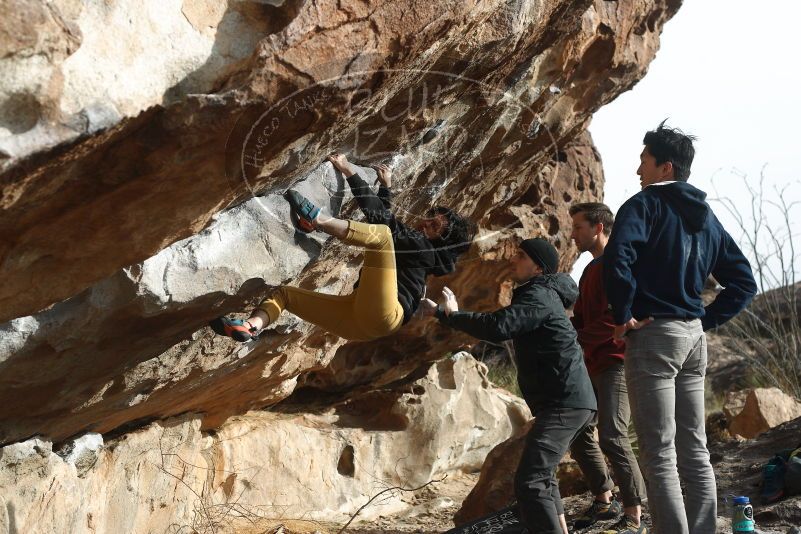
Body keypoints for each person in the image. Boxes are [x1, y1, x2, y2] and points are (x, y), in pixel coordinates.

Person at [603, 121, 758, 534]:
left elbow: (617, 262)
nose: (638, 170)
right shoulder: (708, 219)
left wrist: (622, 316)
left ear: (664, 167)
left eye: (644, 161)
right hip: (693, 338)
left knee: (658, 452)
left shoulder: (642, 206)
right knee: (695, 449)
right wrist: (704, 320)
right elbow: (744, 282)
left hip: (654, 336)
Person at [420, 238, 596, 534]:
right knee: (543, 476)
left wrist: (450, 315)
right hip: (567, 401)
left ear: (538, 267)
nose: (514, 259)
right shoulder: (542, 294)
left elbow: (500, 326)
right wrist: (445, 315)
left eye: (522, 256)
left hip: (566, 402)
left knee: (531, 480)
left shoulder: (539, 295)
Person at [210, 153, 476, 342]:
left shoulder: (423, 249)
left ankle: (316, 219)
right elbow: (386, 222)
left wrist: (349, 171)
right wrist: (386, 189)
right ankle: (250, 327)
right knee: (284, 295)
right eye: (431, 218)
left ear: (439, 241)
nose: (425, 223)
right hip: (361, 321)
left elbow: (382, 225)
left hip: (386, 312)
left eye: (434, 227)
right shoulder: (419, 247)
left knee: (381, 235)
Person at [567, 202, 647, 534]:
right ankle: (604, 500)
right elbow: (584, 318)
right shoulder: (589, 270)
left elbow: (616, 318)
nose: (573, 234)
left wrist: (578, 336)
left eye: (578, 228)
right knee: (577, 430)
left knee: (613, 435)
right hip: (590, 363)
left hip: (616, 362)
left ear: (599, 227)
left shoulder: (619, 263)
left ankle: (635, 516)